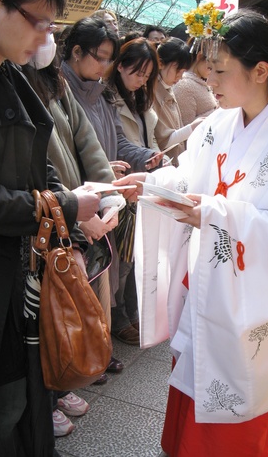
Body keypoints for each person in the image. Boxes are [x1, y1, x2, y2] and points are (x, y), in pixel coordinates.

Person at [114, 5, 268, 456]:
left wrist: (216, 214)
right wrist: (153, 185)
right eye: (207, 69)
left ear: (260, 70)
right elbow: (188, 179)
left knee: (235, 404)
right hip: (209, 283)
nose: (209, 81)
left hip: (250, 302)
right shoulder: (218, 122)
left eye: (218, 70)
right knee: (191, 390)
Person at [0, 0, 101, 456]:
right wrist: (69, 205)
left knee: (20, 399)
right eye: (39, 23)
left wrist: (77, 205)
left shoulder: (11, 74)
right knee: (7, 404)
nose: (45, 39)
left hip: (17, 274)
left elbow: (41, 164)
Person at [22, 35, 125, 436]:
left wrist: (108, 197)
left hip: (69, 209)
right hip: (50, 214)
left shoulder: (55, 83)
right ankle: (46, 390)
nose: (43, 36)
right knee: (47, 309)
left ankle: (61, 376)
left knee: (68, 302)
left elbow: (88, 145)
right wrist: (73, 212)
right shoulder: (16, 77)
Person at [60, 16, 163, 345]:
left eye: (109, 58)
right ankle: (81, 353)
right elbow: (67, 155)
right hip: (78, 198)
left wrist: (145, 156)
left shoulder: (101, 96)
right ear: (76, 52)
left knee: (102, 274)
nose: (106, 65)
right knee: (78, 279)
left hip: (103, 198)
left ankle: (95, 347)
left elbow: (118, 143)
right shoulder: (60, 91)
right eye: (101, 57)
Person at [106, 37, 160, 344]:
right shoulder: (109, 96)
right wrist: (146, 155)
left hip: (143, 180)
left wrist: (152, 155)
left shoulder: (137, 98)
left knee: (135, 256)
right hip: (124, 184)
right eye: (138, 73)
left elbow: (146, 138)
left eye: (146, 75)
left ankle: (130, 312)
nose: (142, 80)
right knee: (123, 260)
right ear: (121, 66)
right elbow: (121, 143)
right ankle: (120, 318)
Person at [154, 37, 204, 166]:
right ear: (160, 63)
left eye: (183, 72)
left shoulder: (168, 88)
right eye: (178, 70)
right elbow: (162, 141)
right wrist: (193, 127)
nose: (180, 77)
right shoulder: (152, 92)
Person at [173, 37, 219, 126]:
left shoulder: (201, 81)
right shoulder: (184, 86)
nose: (212, 71)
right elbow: (185, 127)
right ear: (200, 56)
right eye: (210, 67)